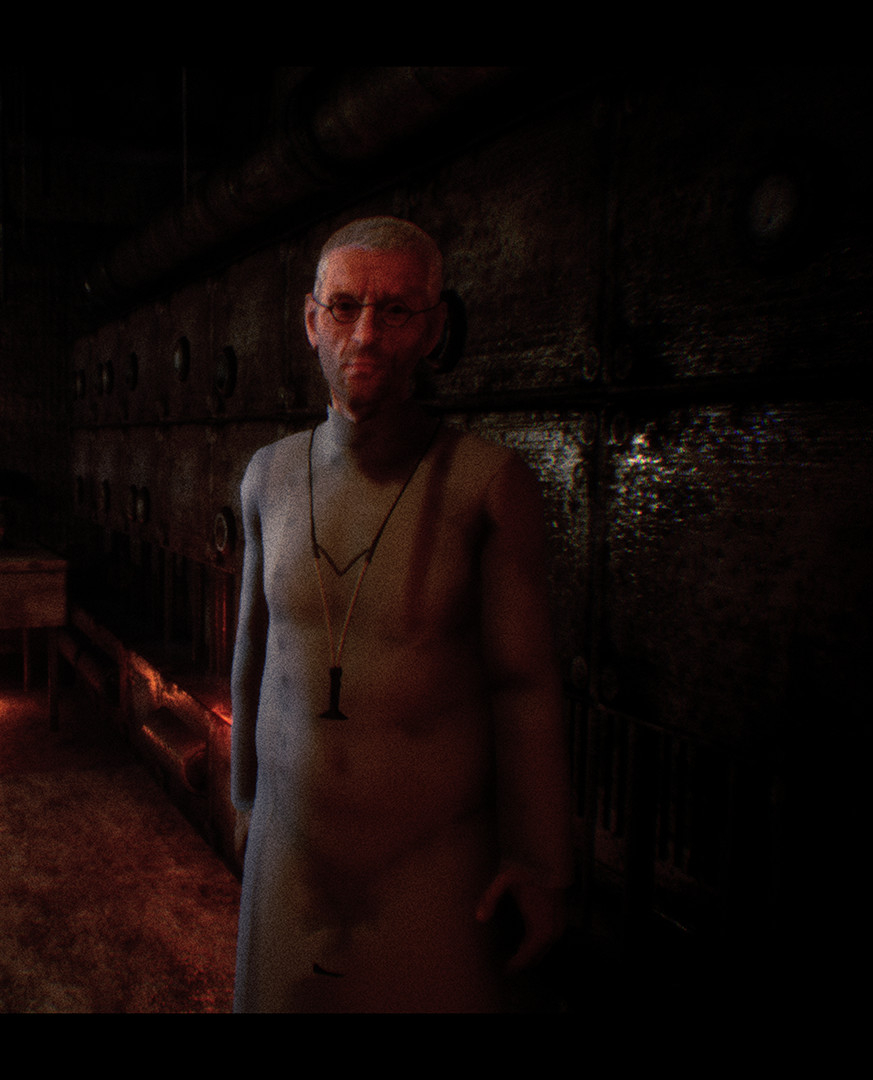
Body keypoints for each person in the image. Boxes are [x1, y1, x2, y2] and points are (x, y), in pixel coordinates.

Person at [230, 216, 572, 1011]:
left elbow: (525, 684)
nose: (366, 335)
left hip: (433, 866)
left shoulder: (488, 484)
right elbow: (252, 649)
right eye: (345, 307)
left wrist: (539, 858)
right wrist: (243, 797)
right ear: (311, 319)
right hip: (289, 849)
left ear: (435, 328)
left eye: (396, 311)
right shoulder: (267, 476)